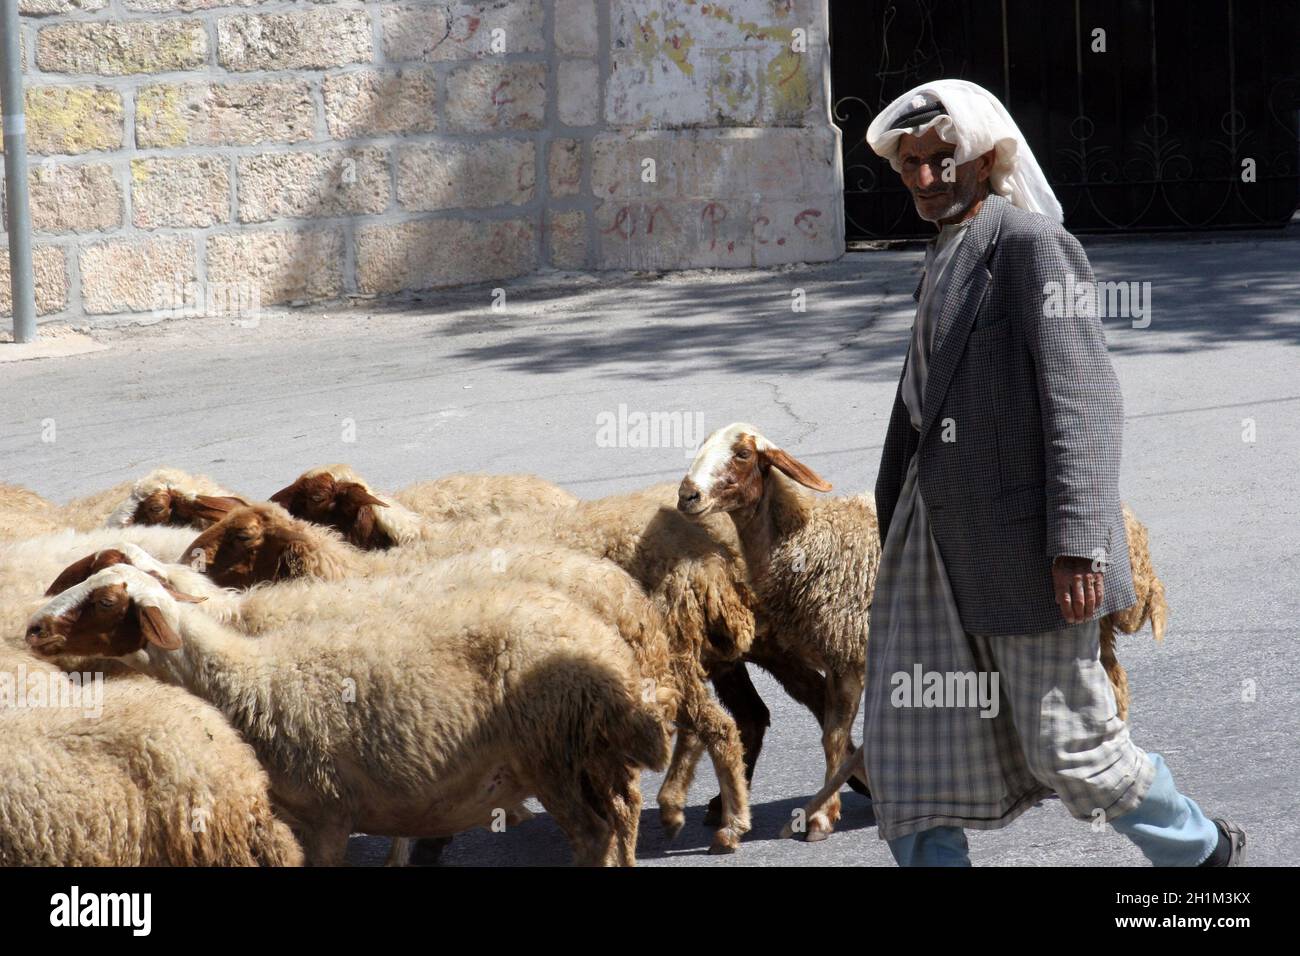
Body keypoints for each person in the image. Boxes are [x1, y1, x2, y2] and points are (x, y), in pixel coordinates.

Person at [860, 79, 1244, 867]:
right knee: (908, 750)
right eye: (911, 167)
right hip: (928, 547)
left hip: (1024, 549)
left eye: (942, 161)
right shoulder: (939, 257)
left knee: (1073, 749)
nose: (926, 180)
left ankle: (1199, 852)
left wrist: (1078, 543)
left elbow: (1085, 401)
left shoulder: (1030, 245)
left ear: (987, 156)